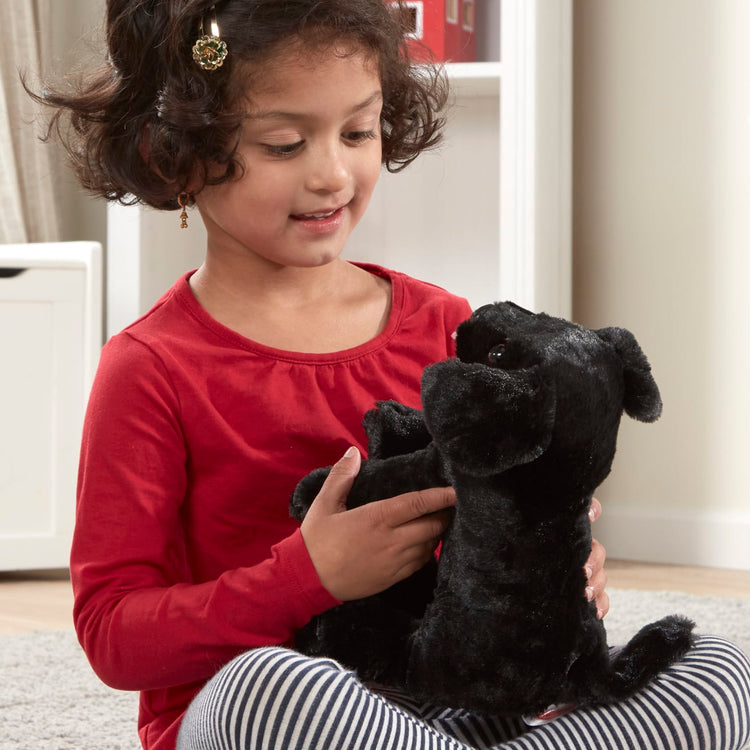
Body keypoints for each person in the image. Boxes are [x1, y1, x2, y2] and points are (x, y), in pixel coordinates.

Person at [35, 1, 749, 749]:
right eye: (284, 144)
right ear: (173, 153)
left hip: (450, 702)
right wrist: (308, 576)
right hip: (274, 711)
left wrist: (553, 569)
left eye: (358, 131)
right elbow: (115, 635)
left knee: (714, 668)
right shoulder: (149, 368)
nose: (333, 173)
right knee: (271, 690)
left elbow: (496, 543)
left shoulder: (445, 322)